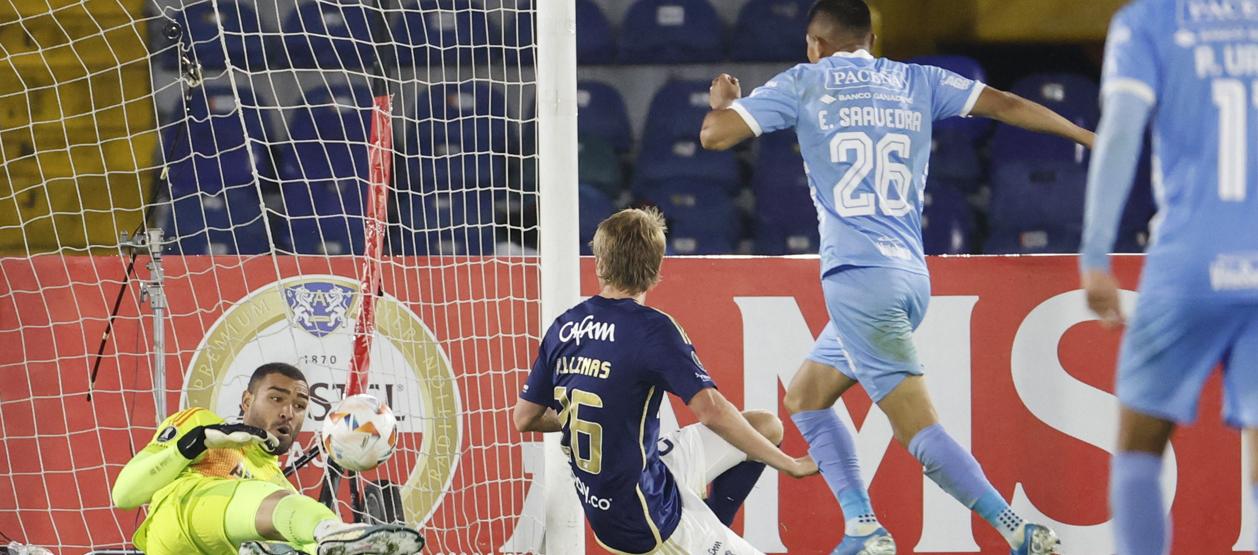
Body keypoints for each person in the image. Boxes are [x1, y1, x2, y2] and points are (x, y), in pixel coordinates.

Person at [699, 1, 1095, 553]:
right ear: (872, 39)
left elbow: (714, 136)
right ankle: (861, 526)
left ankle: (1018, 531)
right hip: (909, 277)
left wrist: (724, 103)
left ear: (815, 45)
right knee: (807, 397)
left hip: (859, 281)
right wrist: (1086, 137)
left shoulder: (805, 83)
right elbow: (1005, 103)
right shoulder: (918, 80)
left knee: (920, 433)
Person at [513, 208, 818, 554]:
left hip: (635, 481)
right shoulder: (653, 330)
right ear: (657, 269)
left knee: (766, 427)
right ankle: (699, 540)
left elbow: (524, 418)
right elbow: (711, 411)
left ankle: (712, 527)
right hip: (646, 518)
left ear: (599, 264)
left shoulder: (564, 327)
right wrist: (791, 465)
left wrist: (599, 416)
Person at [1080, 0, 1258, 553]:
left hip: (1189, 262)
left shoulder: (1147, 21)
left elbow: (1120, 132)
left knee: (1138, 450)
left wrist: (1095, 255)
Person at [111, 362, 422, 555]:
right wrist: (194, 444)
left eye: (300, 406)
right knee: (284, 508)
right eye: (276, 398)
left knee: (297, 528)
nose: (288, 412)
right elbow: (124, 495)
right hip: (177, 529)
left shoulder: (279, 485)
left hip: (231, 545)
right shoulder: (201, 423)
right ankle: (331, 531)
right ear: (247, 400)